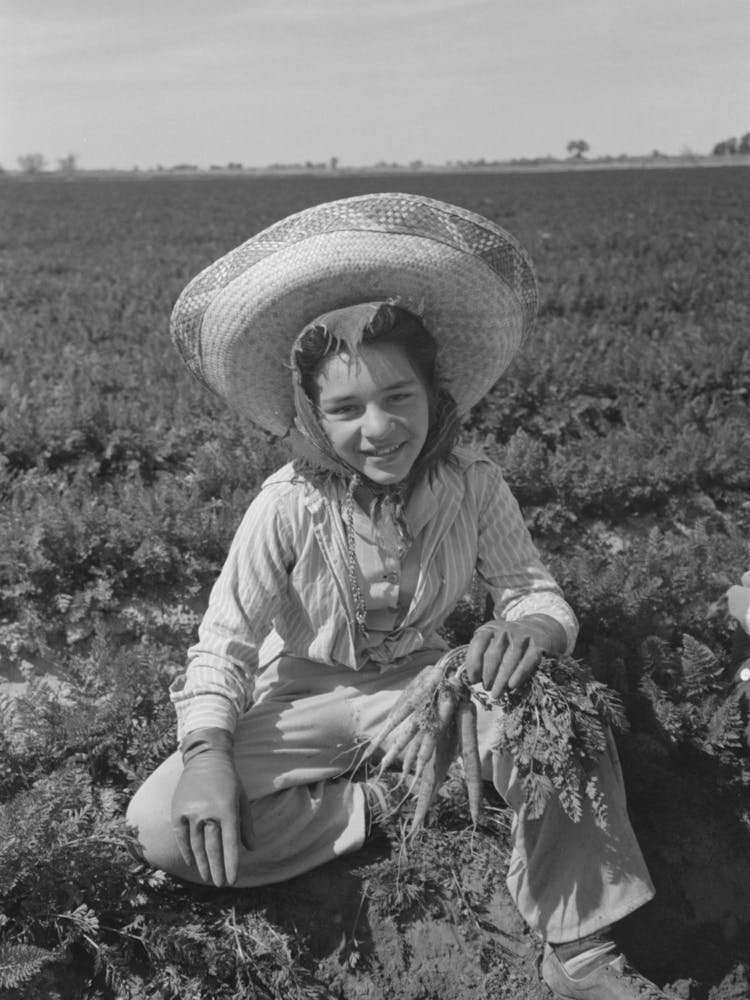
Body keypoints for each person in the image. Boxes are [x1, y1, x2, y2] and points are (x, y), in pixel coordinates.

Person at [127, 192, 666, 999]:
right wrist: (205, 757)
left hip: (419, 686)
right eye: (345, 409)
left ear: (435, 394)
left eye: (398, 398)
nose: (377, 429)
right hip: (300, 695)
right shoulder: (287, 504)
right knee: (163, 827)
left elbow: (531, 591)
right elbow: (225, 643)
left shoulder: (473, 485)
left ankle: (578, 943)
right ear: (313, 416)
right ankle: (387, 800)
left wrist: (534, 634)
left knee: (568, 722)